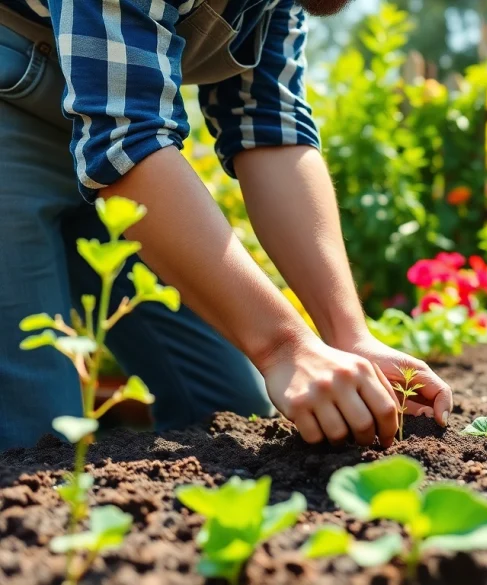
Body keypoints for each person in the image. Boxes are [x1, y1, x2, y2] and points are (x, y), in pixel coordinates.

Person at [0, 0, 452, 450]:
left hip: (103, 142)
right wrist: (283, 347)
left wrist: (347, 335)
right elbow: (125, 139)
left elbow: (271, 126)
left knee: (229, 409)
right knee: (39, 438)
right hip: (15, 105)